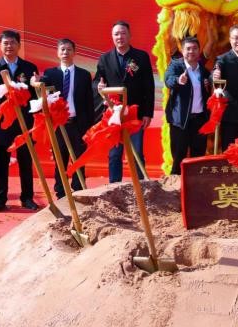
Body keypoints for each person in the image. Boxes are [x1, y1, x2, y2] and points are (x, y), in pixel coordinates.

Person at [0, 30, 39, 212]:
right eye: (5, 43)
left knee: (25, 161)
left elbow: (36, 92)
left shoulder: (29, 67)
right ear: (0, 46)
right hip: (3, 122)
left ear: (19, 45)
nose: (9, 46)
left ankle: (27, 198)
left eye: (13, 42)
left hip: (24, 122)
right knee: (0, 162)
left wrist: (37, 83)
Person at [94, 21, 154, 182]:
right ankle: (115, 188)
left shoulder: (141, 57)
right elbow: (97, 82)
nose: (119, 37)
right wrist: (99, 86)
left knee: (136, 153)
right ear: (112, 37)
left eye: (123, 33)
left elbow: (149, 86)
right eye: (116, 34)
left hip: (135, 113)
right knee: (114, 153)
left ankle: (141, 187)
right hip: (114, 114)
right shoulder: (105, 58)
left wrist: (148, 113)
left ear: (129, 35)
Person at [39, 38, 94, 198]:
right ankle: (61, 192)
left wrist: (89, 125)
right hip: (59, 124)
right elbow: (42, 93)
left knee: (79, 159)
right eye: (62, 49)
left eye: (69, 49)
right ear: (58, 53)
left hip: (78, 123)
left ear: (74, 52)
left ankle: (79, 190)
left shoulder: (84, 75)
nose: (65, 52)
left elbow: (89, 102)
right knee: (60, 159)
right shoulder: (50, 74)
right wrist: (36, 82)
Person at [164, 37, 212, 174]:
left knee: (198, 158)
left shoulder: (203, 70)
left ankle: (196, 185)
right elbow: (168, 80)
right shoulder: (176, 65)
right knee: (179, 158)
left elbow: (209, 87)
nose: (191, 51)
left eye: (195, 48)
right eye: (188, 49)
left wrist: (210, 82)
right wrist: (178, 80)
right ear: (182, 50)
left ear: (199, 50)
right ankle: (176, 185)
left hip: (200, 120)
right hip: (180, 120)